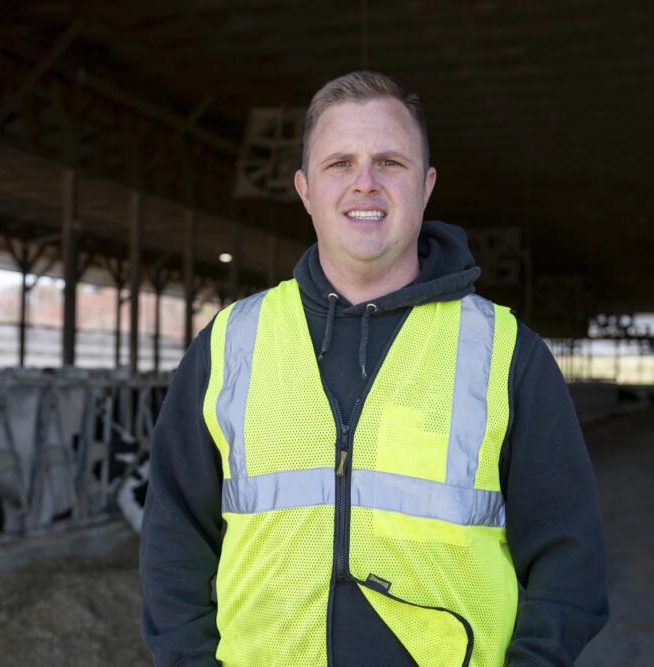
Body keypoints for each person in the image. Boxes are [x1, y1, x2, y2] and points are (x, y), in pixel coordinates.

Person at [140, 71, 608, 667]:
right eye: (339, 164)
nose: (365, 184)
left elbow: (572, 561)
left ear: (427, 186)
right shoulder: (231, 343)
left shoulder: (506, 352)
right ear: (306, 189)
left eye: (390, 162)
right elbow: (174, 536)